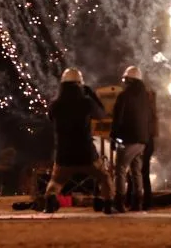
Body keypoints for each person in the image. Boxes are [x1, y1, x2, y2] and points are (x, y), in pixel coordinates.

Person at [44, 67, 115, 214]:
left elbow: (50, 117)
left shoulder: (55, 104)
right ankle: (108, 205)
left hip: (64, 155)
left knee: (56, 181)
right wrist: (92, 94)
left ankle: (50, 201)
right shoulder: (86, 102)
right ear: (80, 84)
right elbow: (102, 114)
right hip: (86, 154)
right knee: (104, 177)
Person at [111, 65, 150, 212]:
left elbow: (117, 119)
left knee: (120, 170)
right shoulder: (145, 97)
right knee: (136, 172)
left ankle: (119, 203)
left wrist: (114, 136)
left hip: (127, 139)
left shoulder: (124, 96)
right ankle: (137, 203)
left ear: (128, 80)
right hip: (142, 140)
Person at [142, 86, 159, 210]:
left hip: (141, 142)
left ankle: (135, 200)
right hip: (148, 142)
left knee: (134, 172)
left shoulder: (141, 111)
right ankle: (147, 201)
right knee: (144, 172)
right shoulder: (152, 111)